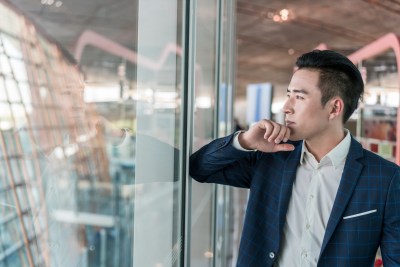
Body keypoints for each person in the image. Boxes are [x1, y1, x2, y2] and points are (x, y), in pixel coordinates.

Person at [189, 50, 400, 266]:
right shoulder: (271, 158)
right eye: (288, 94)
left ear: (334, 108)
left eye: (299, 97)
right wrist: (244, 141)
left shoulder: (386, 178)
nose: (286, 107)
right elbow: (199, 168)